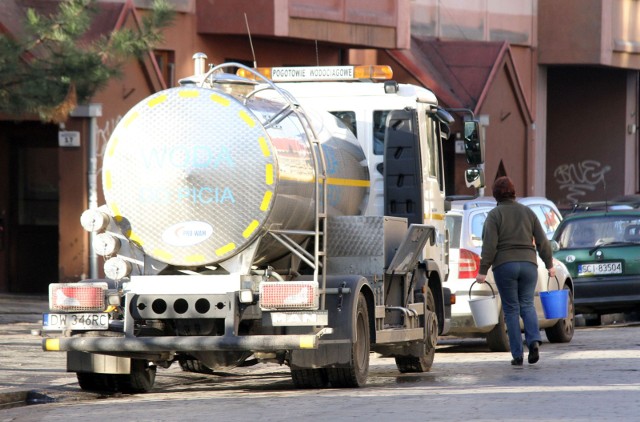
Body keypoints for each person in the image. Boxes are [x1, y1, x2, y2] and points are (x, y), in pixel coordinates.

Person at [475, 176, 556, 366]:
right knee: (527, 304)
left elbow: (489, 245)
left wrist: (483, 270)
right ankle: (534, 341)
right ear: (513, 192)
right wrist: (549, 264)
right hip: (529, 265)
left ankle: (517, 354)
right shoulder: (528, 212)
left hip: (505, 265)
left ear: (495, 195)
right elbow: (543, 241)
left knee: (511, 310)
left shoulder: (495, 215)